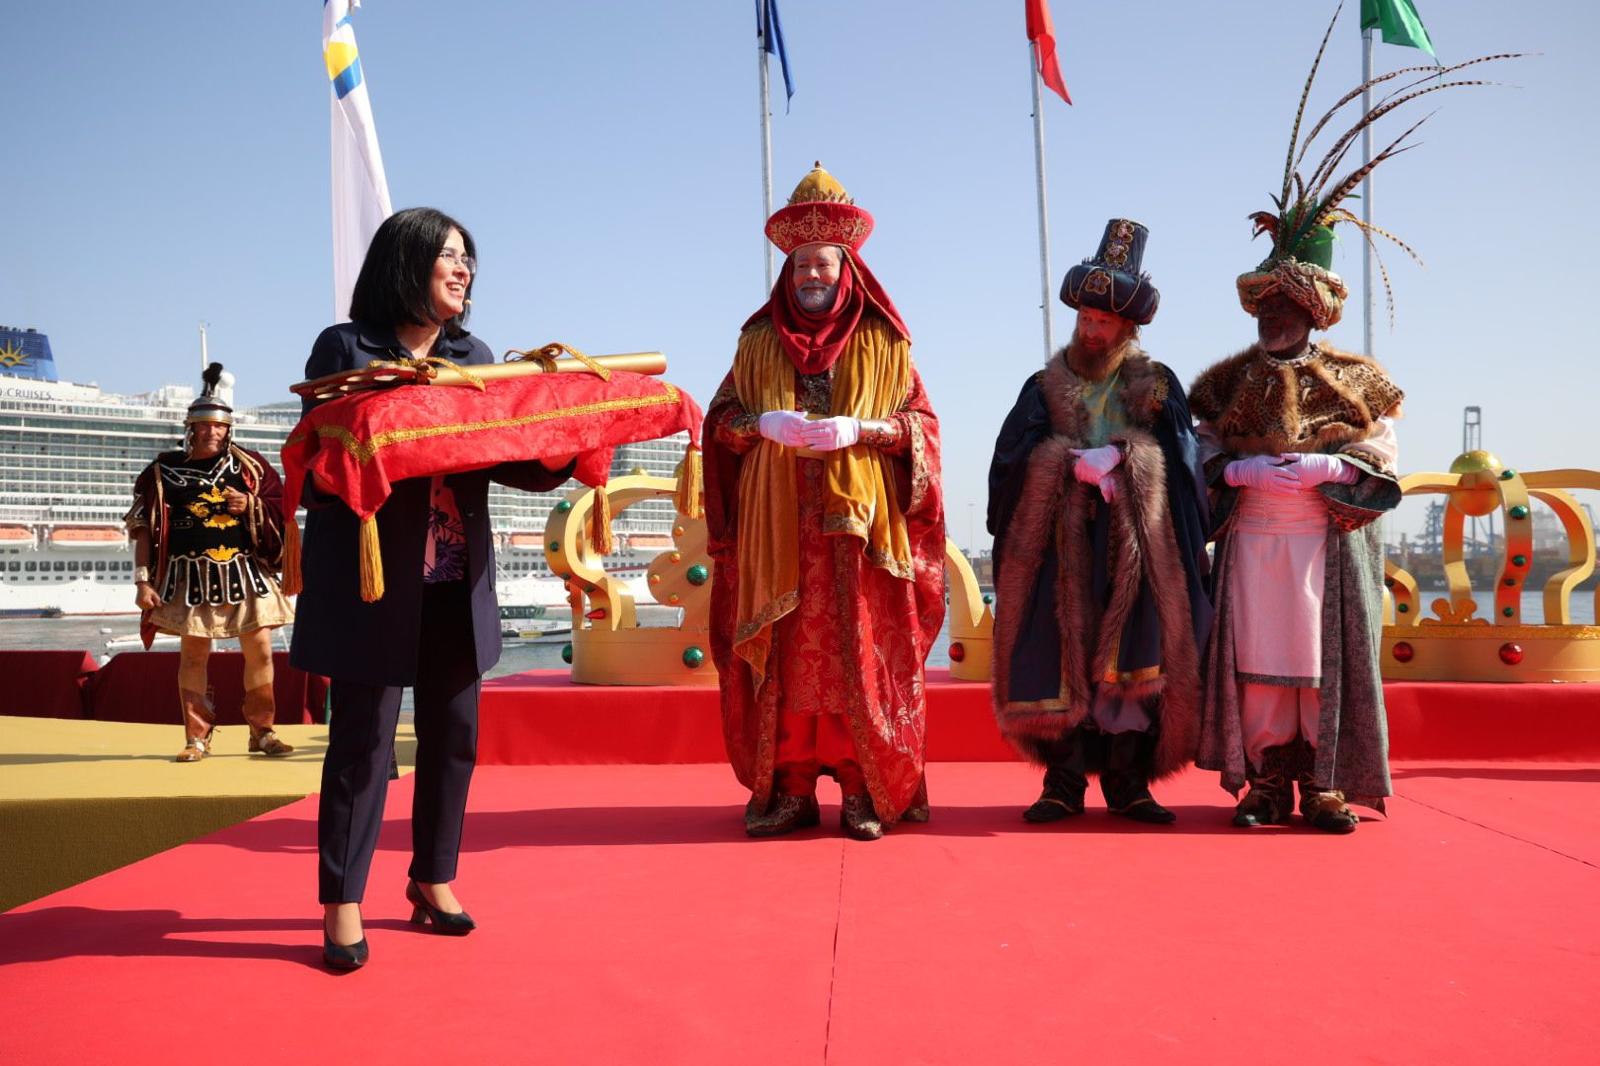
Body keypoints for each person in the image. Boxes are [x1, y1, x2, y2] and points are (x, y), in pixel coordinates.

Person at [292, 207, 576, 970]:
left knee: (455, 735)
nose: (464, 271)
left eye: (469, 260)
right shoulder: (347, 347)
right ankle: (342, 899)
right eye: (450, 256)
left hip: (455, 577)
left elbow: (504, 453)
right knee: (363, 741)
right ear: (405, 262)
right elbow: (326, 456)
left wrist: (564, 442)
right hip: (372, 582)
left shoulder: (475, 355)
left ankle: (432, 878)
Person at [704, 163, 945, 841]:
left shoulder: (886, 344)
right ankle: (789, 789)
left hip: (859, 536)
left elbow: (922, 429)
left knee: (857, 659)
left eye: (823, 262)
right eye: (801, 263)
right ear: (788, 271)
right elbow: (720, 424)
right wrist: (758, 427)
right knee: (783, 658)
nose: (812, 274)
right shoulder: (753, 345)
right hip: (776, 532)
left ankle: (869, 789)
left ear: (849, 268)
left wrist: (865, 430)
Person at [988, 220, 1211, 824]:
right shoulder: (1043, 387)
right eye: (1085, 319)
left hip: (1137, 545)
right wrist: (1061, 465)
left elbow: (1186, 466)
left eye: (1103, 322)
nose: (1090, 329)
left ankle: (1128, 780)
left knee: (1135, 663)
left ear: (1127, 327)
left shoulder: (1158, 387)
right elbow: (1008, 462)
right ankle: (1062, 782)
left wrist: (1128, 461)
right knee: (1061, 655)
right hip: (1061, 546)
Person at [1190, 230, 1402, 835]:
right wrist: (1236, 468)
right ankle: (1266, 781)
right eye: (1264, 308)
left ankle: (1324, 784)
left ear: (1312, 312)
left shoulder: (1357, 379)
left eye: (1283, 308)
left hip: (1324, 541)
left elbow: (1384, 451)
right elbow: (1198, 456)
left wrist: (1333, 466)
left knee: (1319, 660)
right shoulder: (1224, 383)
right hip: (1254, 537)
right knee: (1256, 661)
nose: (1271, 318)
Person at [125, 363, 295, 762]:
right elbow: (143, 528)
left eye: (220, 426)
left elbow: (280, 507)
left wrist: (249, 504)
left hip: (244, 572)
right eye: (205, 425)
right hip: (188, 575)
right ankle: (196, 737)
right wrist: (142, 580)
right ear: (191, 427)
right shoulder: (162, 472)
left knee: (262, 652)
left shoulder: (250, 468)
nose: (213, 432)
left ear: (228, 428)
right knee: (194, 657)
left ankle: (263, 732)